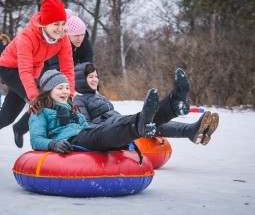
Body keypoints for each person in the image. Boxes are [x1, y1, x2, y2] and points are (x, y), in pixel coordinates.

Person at [73, 62, 219, 146]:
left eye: (96, 76)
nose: (95, 80)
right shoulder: (78, 100)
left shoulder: (98, 96)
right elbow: (87, 126)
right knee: (143, 122)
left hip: (116, 121)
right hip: (109, 129)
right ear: (80, 79)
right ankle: (172, 104)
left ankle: (190, 130)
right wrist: (108, 127)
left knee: (152, 124)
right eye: (90, 77)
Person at [29, 69, 160, 156]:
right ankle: (138, 126)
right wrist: (53, 144)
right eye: (60, 88)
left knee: (110, 130)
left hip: (84, 136)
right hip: (70, 140)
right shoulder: (40, 111)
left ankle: (143, 119)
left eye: (67, 88)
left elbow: (87, 128)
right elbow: (36, 139)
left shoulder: (73, 109)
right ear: (48, 91)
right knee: (104, 134)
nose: (65, 91)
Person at [12, 14, 93, 148]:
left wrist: (88, 87)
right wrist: (66, 90)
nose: (80, 38)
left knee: (68, 103)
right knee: (45, 104)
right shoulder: (59, 42)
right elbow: (58, 69)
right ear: (68, 34)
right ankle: (24, 129)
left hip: (67, 78)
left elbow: (87, 67)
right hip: (49, 75)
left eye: (82, 34)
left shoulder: (84, 43)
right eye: (76, 35)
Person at [0, 0, 75, 139]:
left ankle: (19, 128)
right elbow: (25, 69)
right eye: (55, 24)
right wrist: (35, 97)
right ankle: (49, 140)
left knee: (7, 117)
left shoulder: (62, 39)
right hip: (8, 68)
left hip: (31, 72)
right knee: (43, 100)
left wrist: (69, 94)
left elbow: (67, 68)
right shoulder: (27, 36)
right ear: (45, 23)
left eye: (62, 23)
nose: (60, 29)